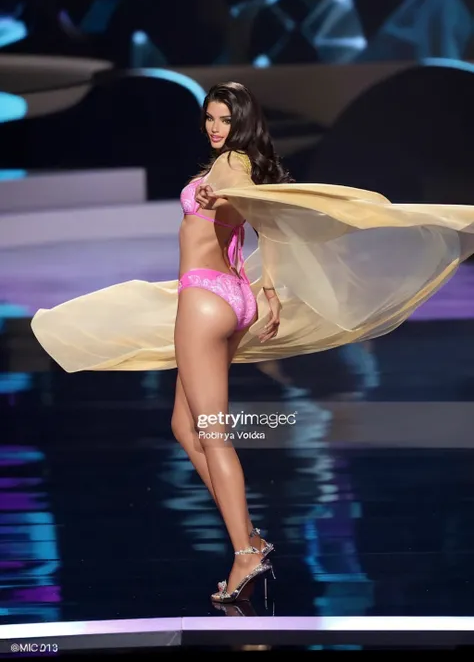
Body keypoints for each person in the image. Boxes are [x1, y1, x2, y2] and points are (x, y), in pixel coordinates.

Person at [31, 81, 474, 603]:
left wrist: (221, 192)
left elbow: (243, 198)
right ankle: (250, 535)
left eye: (223, 119)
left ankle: (245, 551)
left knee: (212, 432)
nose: (214, 128)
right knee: (184, 426)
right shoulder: (248, 166)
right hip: (234, 297)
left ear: (241, 123)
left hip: (203, 301)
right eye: (210, 119)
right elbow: (270, 222)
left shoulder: (230, 167)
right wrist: (267, 287)